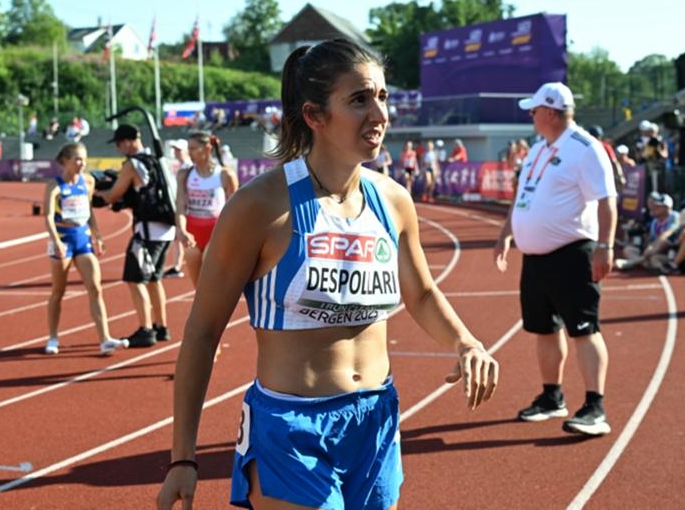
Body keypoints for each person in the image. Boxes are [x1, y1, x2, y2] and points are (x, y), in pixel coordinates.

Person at [157, 38, 498, 510]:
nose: (379, 114)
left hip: (376, 419)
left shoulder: (394, 201)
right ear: (314, 115)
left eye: (382, 96)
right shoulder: (259, 206)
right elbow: (202, 331)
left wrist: (466, 342)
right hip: (292, 428)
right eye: (359, 99)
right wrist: (183, 457)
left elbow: (420, 294)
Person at [494, 81, 617, 437]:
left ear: (549, 112)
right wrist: (506, 234)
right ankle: (552, 397)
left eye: (533, 111)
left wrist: (606, 246)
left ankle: (595, 407)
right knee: (544, 329)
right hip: (535, 259)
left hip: (572, 253)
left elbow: (607, 199)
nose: (530, 116)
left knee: (584, 329)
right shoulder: (537, 149)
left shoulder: (585, 148)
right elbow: (522, 198)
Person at [42, 143, 128, 356]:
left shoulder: (88, 181)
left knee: (95, 288)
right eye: (77, 159)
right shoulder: (54, 185)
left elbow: (89, 210)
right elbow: (48, 216)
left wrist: (97, 235)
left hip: (82, 239)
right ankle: (53, 337)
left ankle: (105, 339)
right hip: (63, 239)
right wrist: (56, 240)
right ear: (65, 161)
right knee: (58, 291)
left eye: (84, 159)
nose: (82, 163)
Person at [97, 124, 177, 348]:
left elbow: (114, 195)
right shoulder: (157, 160)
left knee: (135, 279)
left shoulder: (133, 164)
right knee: (154, 279)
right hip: (166, 229)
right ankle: (161, 326)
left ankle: (146, 330)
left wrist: (96, 192)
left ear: (128, 141)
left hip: (147, 231)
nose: (118, 148)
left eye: (119, 143)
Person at [175, 131, 238, 286]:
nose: (190, 153)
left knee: (211, 283)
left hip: (216, 231)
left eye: (193, 148)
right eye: (189, 149)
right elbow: (180, 206)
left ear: (208, 148)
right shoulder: (184, 174)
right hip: (192, 232)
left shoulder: (225, 174)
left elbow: (236, 210)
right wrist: (182, 230)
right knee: (198, 287)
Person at [616, 192, 679, 272]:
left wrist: (651, 247)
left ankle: (635, 262)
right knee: (628, 250)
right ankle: (644, 262)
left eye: (658, 206)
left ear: (666, 207)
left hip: (670, 250)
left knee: (663, 241)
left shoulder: (674, 216)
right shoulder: (655, 222)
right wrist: (647, 246)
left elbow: (667, 233)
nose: (654, 208)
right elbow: (651, 239)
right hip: (654, 251)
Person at [163, 140, 192, 279]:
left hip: (186, 208)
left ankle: (180, 265)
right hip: (178, 206)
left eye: (179, 150)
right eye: (175, 149)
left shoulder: (189, 167)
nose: (176, 152)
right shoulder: (178, 166)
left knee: (183, 236)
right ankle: (177, 265)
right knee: (177, 237)